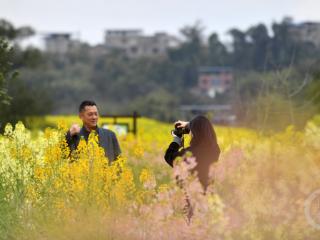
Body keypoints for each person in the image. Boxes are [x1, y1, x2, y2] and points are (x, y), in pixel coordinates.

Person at [164, 115, 220, 192]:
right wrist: (189, 125)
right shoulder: (215, 149)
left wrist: (176, 140)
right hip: (208, 195)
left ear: (195, 133)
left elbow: (169, 156)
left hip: (191, 196)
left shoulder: (189, 153)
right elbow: (202, 128)